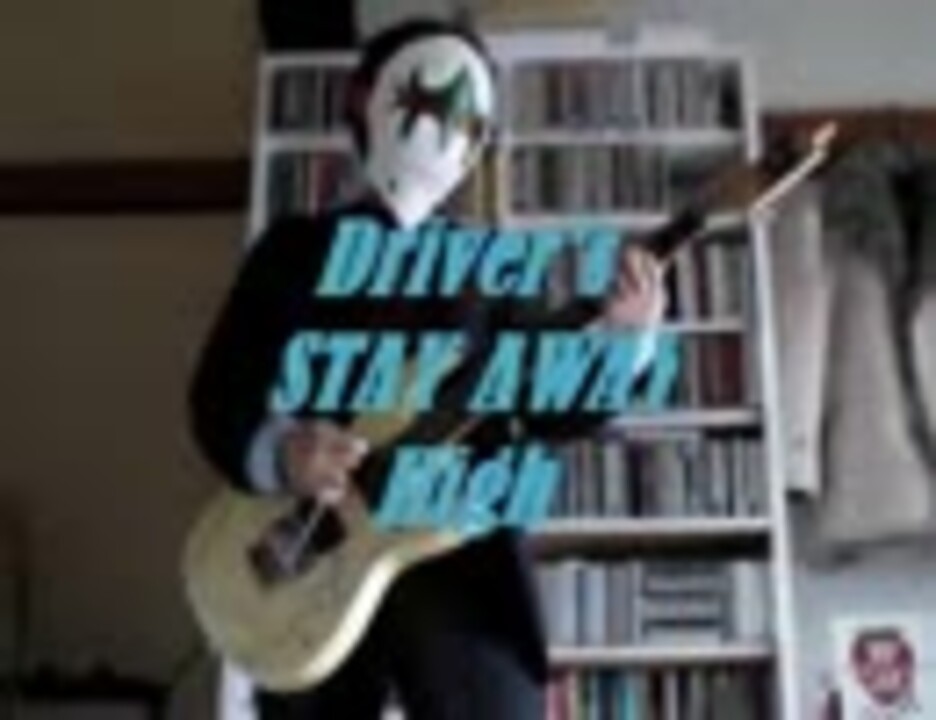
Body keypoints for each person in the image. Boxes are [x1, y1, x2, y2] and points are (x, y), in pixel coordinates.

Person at [189, 17, 668, 720]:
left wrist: (628, 345)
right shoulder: (291, 251)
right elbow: (219, 393)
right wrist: (283, 452)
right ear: (363, 100)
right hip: (310, 554)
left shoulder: (497, 266)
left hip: (460, 570)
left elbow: (546, 408)